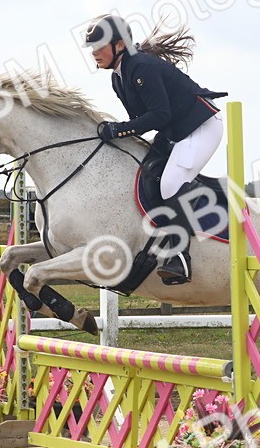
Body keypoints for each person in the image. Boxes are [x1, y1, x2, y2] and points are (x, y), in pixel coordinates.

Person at [83, 15, 227, 285]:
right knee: (146, 172)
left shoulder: (141, 67)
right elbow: (141, 120)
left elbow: (158, 115)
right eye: (91, 47)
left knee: (170, 183)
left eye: (99, 46)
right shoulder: (118, 77)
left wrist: (118, 130)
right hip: (175, 131)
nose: (93, 52)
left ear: (120, 45)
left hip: (201, 127)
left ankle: (180, 257)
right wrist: (118, 131)